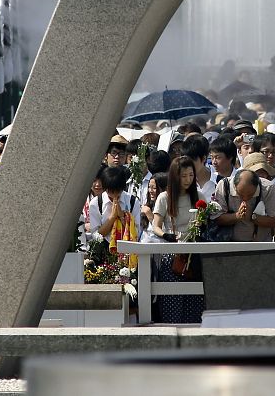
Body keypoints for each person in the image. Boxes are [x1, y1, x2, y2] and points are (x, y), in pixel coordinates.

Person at [151, 156, 204, 323]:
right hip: (172, 254)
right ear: (175, 176)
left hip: (194, 254)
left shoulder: (199, 195)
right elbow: (156, 225)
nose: (188, 180)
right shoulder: (164, 198)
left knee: (195, 305)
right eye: (183, 176)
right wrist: (165, 235)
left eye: (191, 175)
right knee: (171, 303)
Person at [210, 169, 275, 242]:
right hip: (229, 245)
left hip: (260, 245)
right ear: (234, 186)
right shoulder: (224, 186)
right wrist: (237, 216)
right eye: (240, 195)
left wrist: (253, 217)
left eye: (250, 195)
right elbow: (217, 218)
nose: (245, 198)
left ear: (257, 187)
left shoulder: (268, 188)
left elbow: (273, 222)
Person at [89, 165, 141, 247]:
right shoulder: (95, 203)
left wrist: (122, 217)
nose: (114, 196)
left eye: (118, 191)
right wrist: (112, 217)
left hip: (127, 248)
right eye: (111, 192)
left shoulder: (133, 201)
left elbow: (136, 232)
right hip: (105, 249)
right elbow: (96, 235)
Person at [182, 134, 216, 202]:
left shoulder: (218, 180)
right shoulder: (181, 182)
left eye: (192, 160)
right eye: (186, 159)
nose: (188, 164)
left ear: (203, 158)